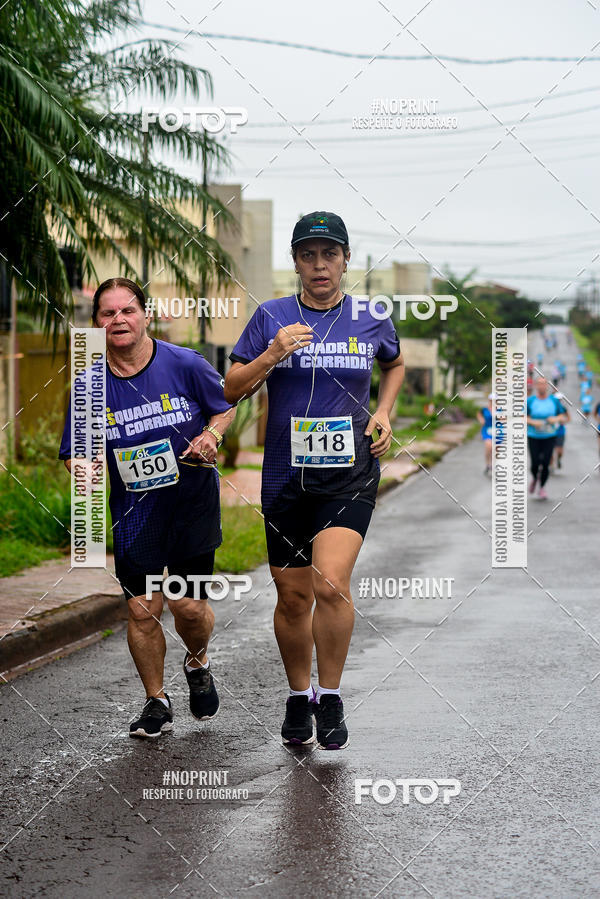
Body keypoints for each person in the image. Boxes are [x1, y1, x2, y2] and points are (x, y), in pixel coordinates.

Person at [224, 211, 404, 750]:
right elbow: (231, 389)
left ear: (346, 260)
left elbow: (394, 364)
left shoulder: (371, 316)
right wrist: (273, 353)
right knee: (292, 596)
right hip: (285, 475)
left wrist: (384, 412)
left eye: (330, 254)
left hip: (349, 472)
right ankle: (298, 696)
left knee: (331, 583)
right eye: (308, 255)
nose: (319, 265)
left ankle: (330, 695)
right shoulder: (271, 316)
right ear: (296, 263)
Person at [59, 278, 234, 739]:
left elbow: (224, 407)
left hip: (190, 504)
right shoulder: (88, 386)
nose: (118, 319)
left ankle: (197, 661)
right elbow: (76, 453)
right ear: (97, 323)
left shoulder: (185, 363)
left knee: (187, 607)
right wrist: (86, 470)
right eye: (108, 313)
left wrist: (211, 435)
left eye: (128, 310)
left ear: (145, 316)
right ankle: (157, 700)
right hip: (134, 513)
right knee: (142, 610)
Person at [526, 377, 568, 499]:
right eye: (539, 384)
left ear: (547, 386)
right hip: (534, 436)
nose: (541, 386)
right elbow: (522, 416)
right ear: (536, 386)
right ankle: (535, 478)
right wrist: (533, 422)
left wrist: (555, 419)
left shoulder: (553, 401)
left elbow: (562, 416)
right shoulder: (530, 401)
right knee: (535, 463)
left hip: (549, 436)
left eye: (544, 384)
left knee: (546, 463)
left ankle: (542, 487)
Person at [476, 393, 502, 475]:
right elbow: (479, 414)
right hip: (487, 430)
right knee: (489, 446)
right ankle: (488, 464)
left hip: (498, 431)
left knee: (497, 450)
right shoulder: (484, 409)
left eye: (495, 400)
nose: (493, 402)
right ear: (489, 400)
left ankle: (494, 465)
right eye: (491, 400)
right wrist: (481, 420)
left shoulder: (500, 410)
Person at [551, 392, 570, 471]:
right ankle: (551, 465)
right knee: (550, 450)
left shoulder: (563, 408)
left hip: (560, 432)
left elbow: (569, 418)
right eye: (557, 399)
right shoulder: (551, 407)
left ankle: (558, 459)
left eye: (560, 399)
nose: (559, 400)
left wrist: (563, 421)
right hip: (550, 431)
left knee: (559, 450)